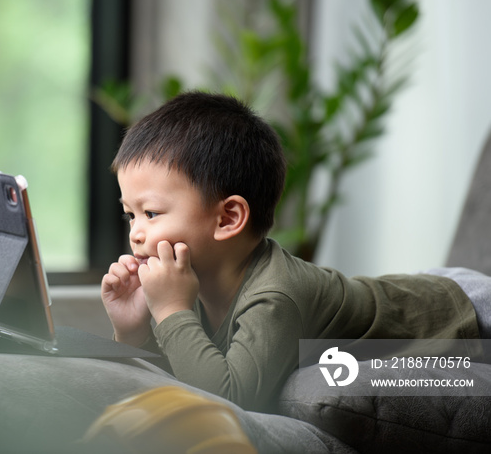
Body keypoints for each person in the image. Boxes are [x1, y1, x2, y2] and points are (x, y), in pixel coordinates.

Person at [100, 91, 490, 412]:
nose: (136, 233)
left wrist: (170, 312)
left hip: (460, 311)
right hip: (415, 290)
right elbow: (187, 375)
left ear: (227, 219)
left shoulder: (276, 296)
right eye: (130, 215)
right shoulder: (194, 282)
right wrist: (132, 332)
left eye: (150, 213)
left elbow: (228, 399)